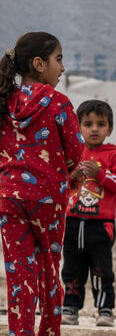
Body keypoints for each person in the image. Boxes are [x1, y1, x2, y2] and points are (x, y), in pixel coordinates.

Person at [0, 32, 87, 336]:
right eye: (58, 59)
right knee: (49, 271)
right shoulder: (59, 103)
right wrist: (62, 173)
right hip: (48, 201)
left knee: (17, 275)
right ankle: (49, 332)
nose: (62, 68)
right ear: (39, 63)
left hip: (8, 198)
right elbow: (77, 155)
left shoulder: (3, 101)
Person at [62, 99, 116, 327]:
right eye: (88, 124)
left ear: (109, 129)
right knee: (72, 268)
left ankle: (105, 309)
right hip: (72, 222)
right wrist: (71, 176)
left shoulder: (112, 156)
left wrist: (100, 174)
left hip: (100, 226)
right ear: (78, 127)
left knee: (101, 270)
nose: (94, 129)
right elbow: (60, 183)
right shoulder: (73, 153)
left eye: (100, 124)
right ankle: (70, 307)